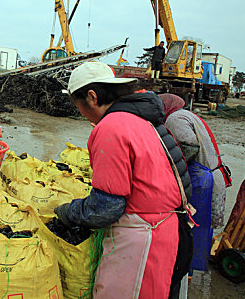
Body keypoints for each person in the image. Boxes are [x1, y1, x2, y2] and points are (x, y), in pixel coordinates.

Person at [54, 61, 192, 299]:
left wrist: (68, 211)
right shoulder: (141, 119)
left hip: (146, 242)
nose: (81, 113)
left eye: (79, 106)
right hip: (174, 231)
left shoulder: (112, 127)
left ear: (92, 96)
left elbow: (106, 208)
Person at [160, 93, 230, 229]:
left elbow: (190, 147)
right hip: (210, 175)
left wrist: (169, 168)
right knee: (202, 228)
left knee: (195, 226)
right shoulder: (185, 114)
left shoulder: (175, 119)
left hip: (203, 180)